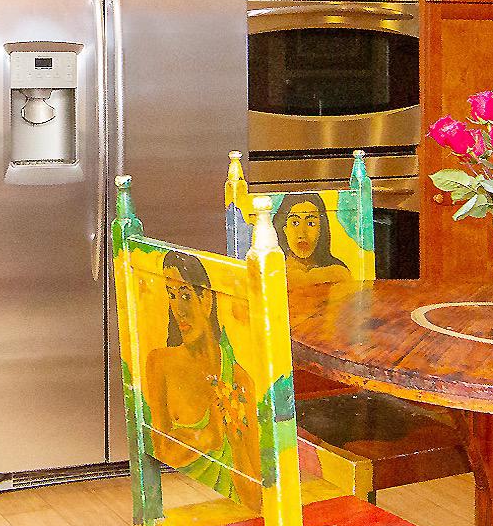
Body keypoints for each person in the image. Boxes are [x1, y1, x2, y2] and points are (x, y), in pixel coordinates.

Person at [143, 249, 257, 482]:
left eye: (185, 295)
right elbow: (162, 449)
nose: (179, 310)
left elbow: (257, 489)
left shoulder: (240, 380)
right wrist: (208, 436)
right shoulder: (160, 363)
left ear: (206, 298)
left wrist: (235, 446)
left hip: (235, 505)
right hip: (189, 496)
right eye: (171, 296)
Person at [271, 192, 357, 294]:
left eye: (311, 223)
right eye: (295, 223)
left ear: (321, 229)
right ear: (284, 229)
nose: (302, 233)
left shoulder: (338, 273)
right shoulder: (272, 270)